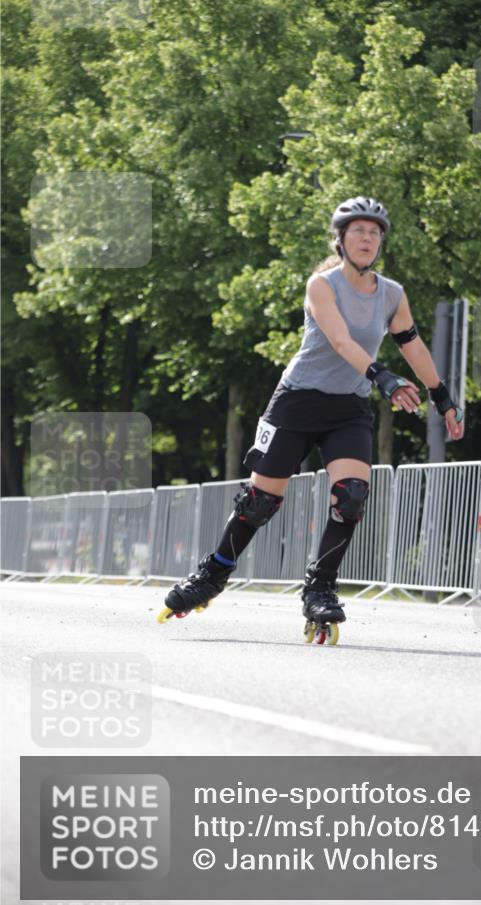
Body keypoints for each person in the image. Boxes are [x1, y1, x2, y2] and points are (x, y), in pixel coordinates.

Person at [157, 196, 464, 640]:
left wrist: (442, 395)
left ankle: (320, 587)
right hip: (297, 402)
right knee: (259, 504)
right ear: (340, 240)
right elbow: (340, 340)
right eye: (357, 231)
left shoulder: (392, 294)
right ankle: (212, 575)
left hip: (349, 408)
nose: (366, 239)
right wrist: (385, 378)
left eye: (374, 233)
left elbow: (412, 345)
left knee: (352, 496)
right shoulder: (322, 285)